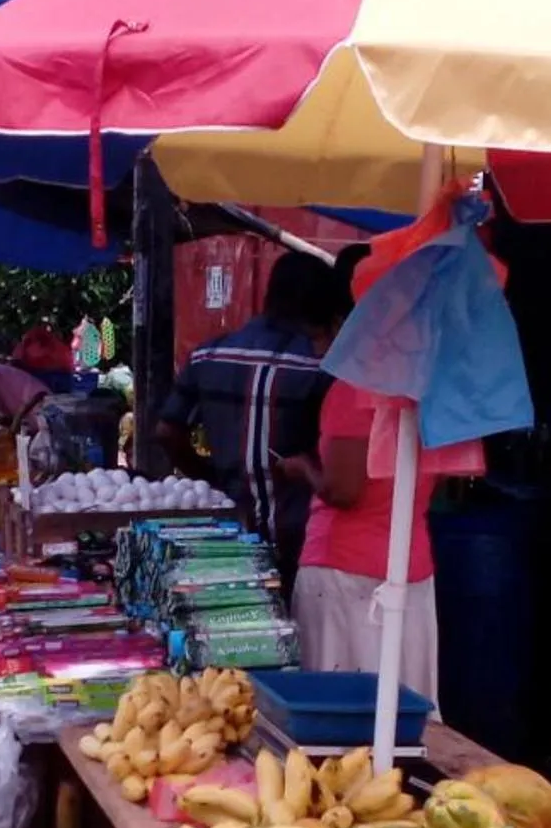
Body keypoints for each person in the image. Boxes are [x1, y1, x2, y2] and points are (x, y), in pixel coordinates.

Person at [152, 251, 348, 592]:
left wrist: (210, 474)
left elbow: (167, 431)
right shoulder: (325, 370)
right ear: (322, 304)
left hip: (229, 533)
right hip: (303, 539)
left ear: (269, 295)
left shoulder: (207, 355)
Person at [289, 377, 442, 700]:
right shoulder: (431, 390)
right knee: (402, 711)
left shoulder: (355, 389)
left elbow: (343, 491)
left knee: (335, 708)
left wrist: (303, 469)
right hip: (408, 567)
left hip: (345, 571)